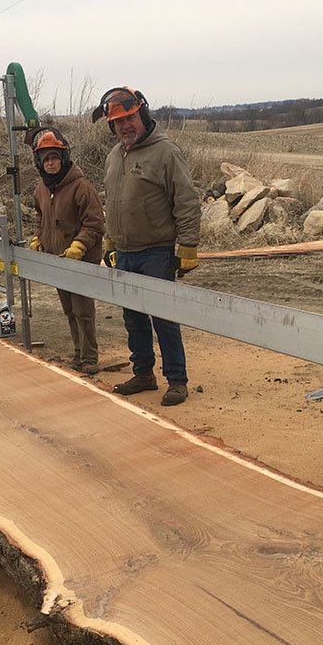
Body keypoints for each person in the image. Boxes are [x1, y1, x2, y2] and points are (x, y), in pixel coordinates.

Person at [92, 87, 201, 406]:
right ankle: (143, 374)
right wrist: (110, 239)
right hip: (125, 251)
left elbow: (186, 200)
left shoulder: (166, 152)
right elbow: (113, 202)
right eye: (117, 122)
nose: (124, 126)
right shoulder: (115, 156)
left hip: (157, 250)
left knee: (163, 317)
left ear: (143, 114)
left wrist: (188, 245)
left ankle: (177, 380)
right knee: (133, 317)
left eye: (129, 118)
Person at [29, 128, 104, 375]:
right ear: (40, 161)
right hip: (58, 260)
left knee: (83, 310)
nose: (51, 163)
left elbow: (94, 222)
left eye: (55, 157)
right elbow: (41, 217)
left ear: (64, 158)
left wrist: (80, 245)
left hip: (80, 259)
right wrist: (38, 237)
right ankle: (78, 353)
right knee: (69, 310)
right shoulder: (41, 188)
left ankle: (90, 358)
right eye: (46, 158)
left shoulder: (81, 187)